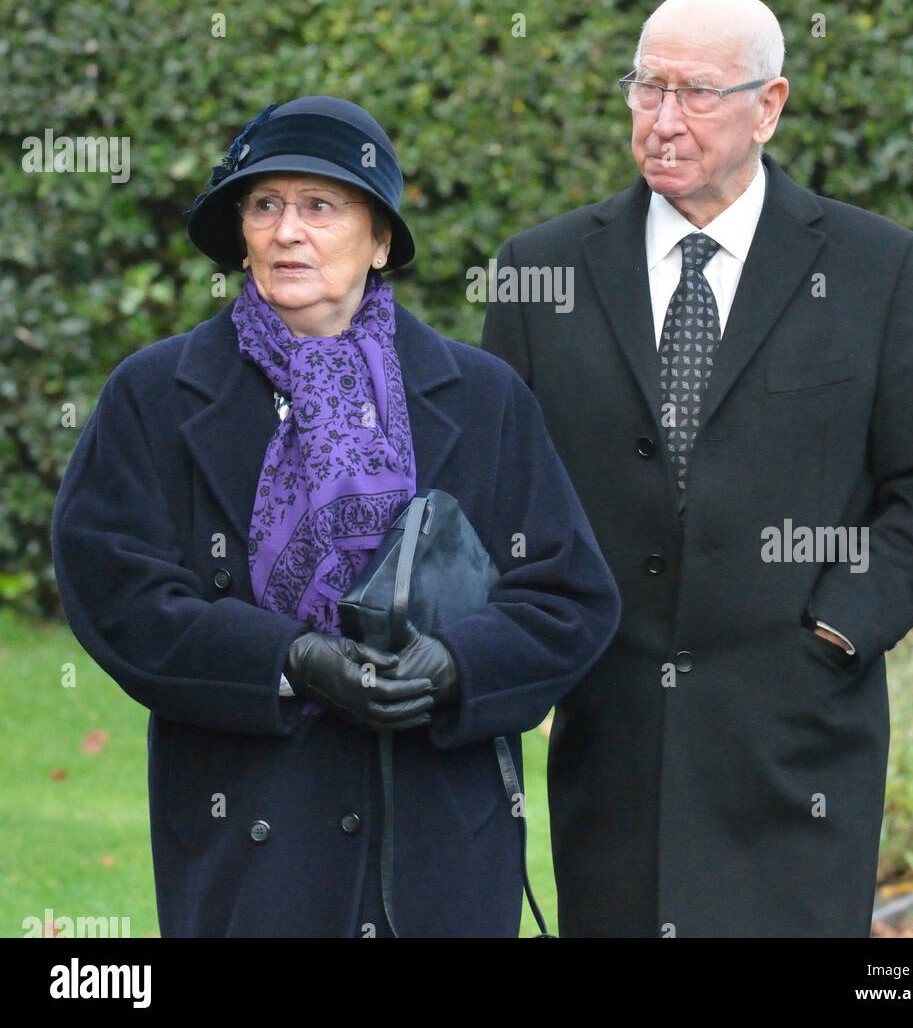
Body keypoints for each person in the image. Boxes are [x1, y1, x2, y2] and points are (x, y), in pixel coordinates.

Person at [481, 0, 913, 938]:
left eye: (697, 93)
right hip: (611, 740)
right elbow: (498, 488)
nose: (664, 120)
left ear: (769, 106)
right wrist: (538, 646)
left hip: (798, 742)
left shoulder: (882, 270)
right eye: (647, 88)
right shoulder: (539, 270)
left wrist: (840, 628)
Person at [52, 94, 620, 939]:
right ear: (241, 231)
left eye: (321, 206)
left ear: (381, 239)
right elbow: (117, 592)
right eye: (264, 205)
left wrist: (456, 667)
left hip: (439, 844)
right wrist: (288, 659)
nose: (288, 231)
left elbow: (568, 597)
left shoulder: (483, 396)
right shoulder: (155, 395)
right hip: (248, 838)